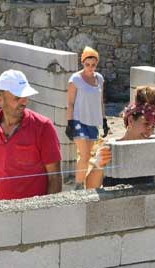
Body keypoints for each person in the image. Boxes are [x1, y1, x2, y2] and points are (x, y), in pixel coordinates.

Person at [0, 69, 62, 201]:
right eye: (17, 98)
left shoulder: (44, 127)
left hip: (34, 215)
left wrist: (48, 216)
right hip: (1, 214)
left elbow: (55, 176)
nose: (24, 102)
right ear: (0, 100)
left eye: (25, 96)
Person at [65, 46, 109, 190]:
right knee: (84, 156)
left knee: (88, 156)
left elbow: (101, 101)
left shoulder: (99, 79)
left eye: (93, 65)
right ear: (83, 63)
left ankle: (82, 183)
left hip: (93, 121)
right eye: (87, 64)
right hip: (78, 120)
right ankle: (78, 186)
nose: (90, 67)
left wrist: (104, 120)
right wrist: (70, 123)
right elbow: (70, 102)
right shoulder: (75, 79)